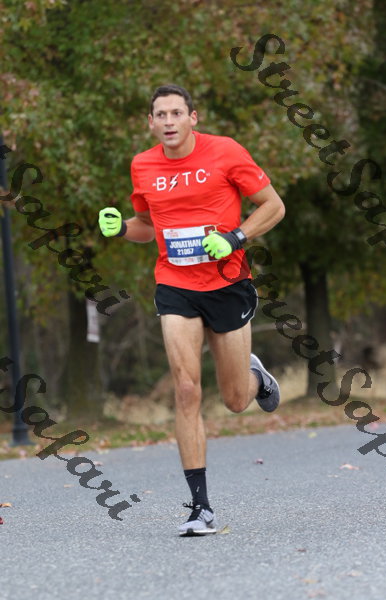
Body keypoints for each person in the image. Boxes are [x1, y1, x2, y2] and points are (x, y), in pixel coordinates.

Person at [98, 84, 285, 537]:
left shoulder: (226, 152)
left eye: (176, 113)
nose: (168, 121)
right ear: (150, 123)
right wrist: (120, 228)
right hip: (175, 286)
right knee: (186, 390)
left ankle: (257, 378)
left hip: (228, 284)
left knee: (235, 400)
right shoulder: (143, 165)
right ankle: (201, 508)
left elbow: (273, 206)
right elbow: (147, 226)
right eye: (160, 114)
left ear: (192, 117)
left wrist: (235, 238)